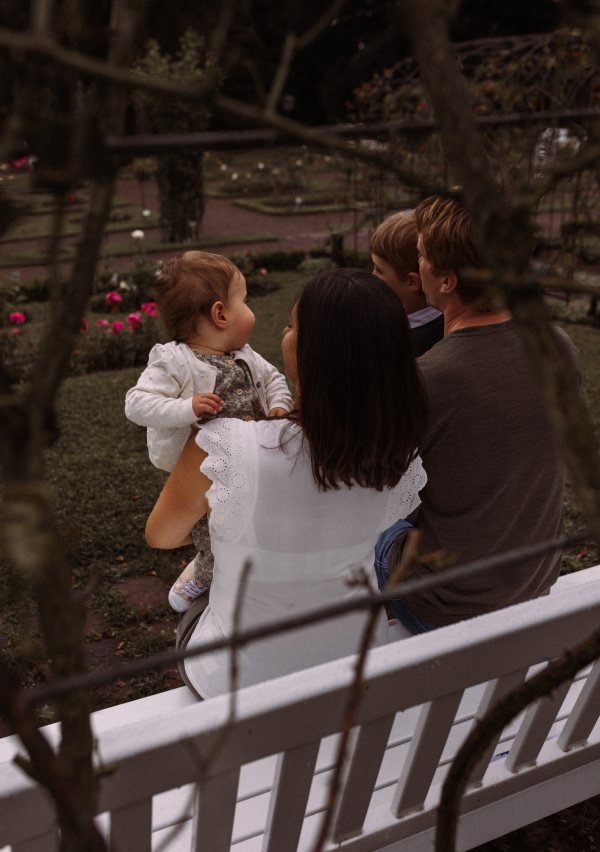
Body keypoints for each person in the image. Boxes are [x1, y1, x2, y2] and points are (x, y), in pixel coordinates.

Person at [145, 268, 428, 698]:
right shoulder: (397, 452)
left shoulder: (225, 447)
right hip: (353, 662)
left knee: (203, 588)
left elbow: (162, 535)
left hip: (234, 682)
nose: (284, 334)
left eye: (294, 327)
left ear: (316, 354)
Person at [376, 196, 581, 634]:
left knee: (368, 534)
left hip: (445, 604)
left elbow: (373, 482)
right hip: (533, 579)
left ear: (447, 280)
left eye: (421, 256)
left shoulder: (428, 378)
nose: (418, 266)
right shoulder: (557, 344)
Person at [125, 251, 292, 612]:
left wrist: (280, 404)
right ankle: (204, 573)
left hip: (253, 458)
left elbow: (274, 379)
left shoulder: (245, 354)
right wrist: (186, 408)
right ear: (220, 314)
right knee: (214, 530)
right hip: (207, 470)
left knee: (257, 520)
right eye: (244, 301)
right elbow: (136, 403)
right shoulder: (174, 361)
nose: (249, 309)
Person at [370, 210, 444, 357]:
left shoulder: (404, 345)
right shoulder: (447, 319)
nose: (372, 276)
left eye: (379, 270)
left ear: (412, 282)